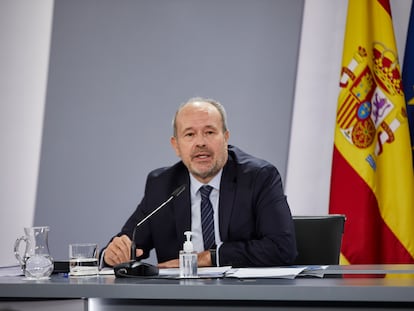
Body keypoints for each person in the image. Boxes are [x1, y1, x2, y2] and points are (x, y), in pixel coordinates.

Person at [102, 97, 297, 268]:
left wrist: (209, 258)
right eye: (189, 134)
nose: (200, 142)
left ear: (225, 138)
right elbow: (129, 243)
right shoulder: (162, 185)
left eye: (210, 132)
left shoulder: (259, 177)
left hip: (244, 297)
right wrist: (112, 255)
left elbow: (282, 248)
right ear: (176, 146)